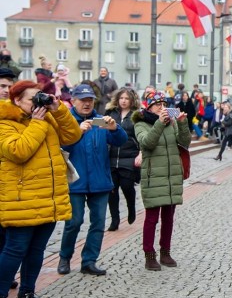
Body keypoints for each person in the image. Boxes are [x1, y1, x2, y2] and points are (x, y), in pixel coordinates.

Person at [0, 81, 82, 298]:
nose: (37, 103)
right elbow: (18, 151)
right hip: (21, 200)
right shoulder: (5, 123)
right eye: (32, 99)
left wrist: (58, 110)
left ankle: (26, 295)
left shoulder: (47, 118)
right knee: (14, 250)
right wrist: (36, 123)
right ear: (16, 101)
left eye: (40, 97)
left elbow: (72, 135)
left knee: (37, 250)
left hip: (48, 197)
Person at [57, 84, 127, 276]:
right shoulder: (67, 121)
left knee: (98, 223)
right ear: (73, 100)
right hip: (75, 182)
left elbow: (121, 140)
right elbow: (59, 147)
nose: (87, 104)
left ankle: (89, 261)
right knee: (74, 222)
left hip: (99, 181)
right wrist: (77, 132)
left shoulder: (100, 121)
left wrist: (114, 128)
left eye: (90, 100)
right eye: (83, 100)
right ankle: (64, 257)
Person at [132, 91, 191, 271]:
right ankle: (149, 255)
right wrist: (160, 122)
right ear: (148, 106)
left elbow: (185, 142)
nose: (162, 107)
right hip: (153, 177)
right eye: (157, 104)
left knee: (169, 218)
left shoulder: (171, 123)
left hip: (171, 175)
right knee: (151, 219)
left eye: (164, 103)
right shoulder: (140, 123)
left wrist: (182, 124)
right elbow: (147, 143)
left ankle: (166, 252)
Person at [105, 88, 141, 231]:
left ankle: (131, 208)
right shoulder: (110, 114)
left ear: (131, 100)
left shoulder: (137, 116)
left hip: (129, 157)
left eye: (126, 98)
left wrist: (140, 153)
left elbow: (140, 136)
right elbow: (100, 130)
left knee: (127, 186)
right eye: (121, 98)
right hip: (112, 157)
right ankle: (115, 219)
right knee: (112, 190)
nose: (124, 101)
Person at [0, 67, 18, 291]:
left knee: (6, 234)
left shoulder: (16, 112)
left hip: (10, 181)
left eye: (9, 87)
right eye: (2, 86)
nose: (6, 90)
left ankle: (5, 275)